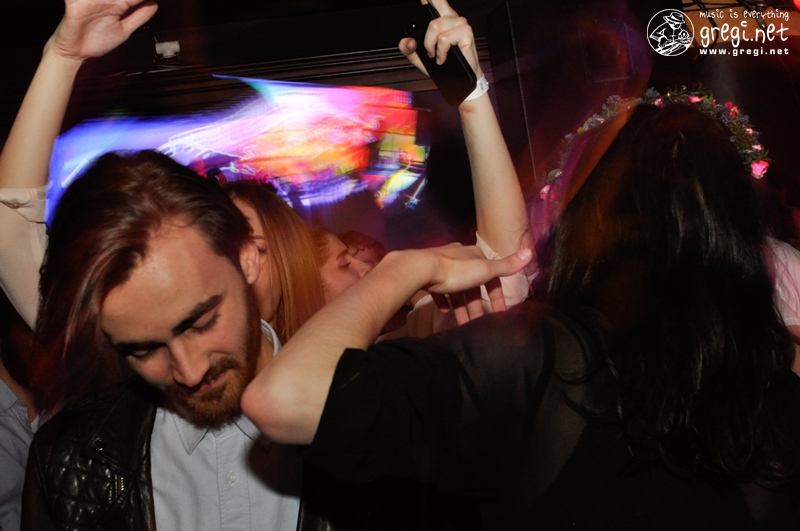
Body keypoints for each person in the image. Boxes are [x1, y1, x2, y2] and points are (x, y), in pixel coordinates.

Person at [242, 99, 800, 528]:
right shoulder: (776, 384)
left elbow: (285, 399)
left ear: (589, 223)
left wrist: (404, 268)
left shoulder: (551, 360)